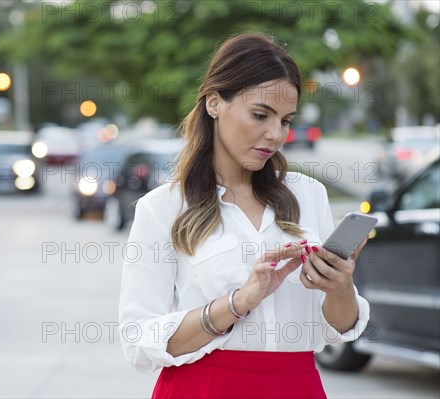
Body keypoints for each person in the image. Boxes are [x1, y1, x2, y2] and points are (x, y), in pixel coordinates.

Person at [118, 33, 370, 399]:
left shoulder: (308, 194)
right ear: (214, 103)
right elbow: (138, 342)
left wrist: (341, 286)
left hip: (295, 386)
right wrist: (238, 303)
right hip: (203, 388)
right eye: (260, 115)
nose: (276, 134)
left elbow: (339, 328)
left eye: (286, 120)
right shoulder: (163, 208)